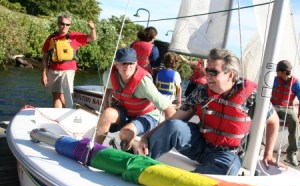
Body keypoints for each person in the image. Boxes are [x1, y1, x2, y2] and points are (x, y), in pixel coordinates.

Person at [138, 48, 283, 175]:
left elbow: (273, 121)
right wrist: (147, 136)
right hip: (200, 145)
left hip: (227, 155)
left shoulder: (251, 95)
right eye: (207, 70)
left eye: (213, 72)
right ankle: (139, 163)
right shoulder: (202, 92)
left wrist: (268, 153)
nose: (208, 76)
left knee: (229, 169)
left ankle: (187, 181)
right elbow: (174, 121)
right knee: (174, 126)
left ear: (230, 74)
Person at [95, 47, 176, 152]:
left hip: (147, 116)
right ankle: (95, 150)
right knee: (107, 114)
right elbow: (107, 92)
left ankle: (129, 153)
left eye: (131, 63)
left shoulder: (144, 83)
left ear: (136, 63)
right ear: (116, 64)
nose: (128, 66)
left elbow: (168, 109)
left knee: (125, 132)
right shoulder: (109, 75)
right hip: (125, 112)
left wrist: (169, 134)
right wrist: (105, 110)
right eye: (124, 63)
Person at [41, 13, 97, 108]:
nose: (64, 26)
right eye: (62, 23)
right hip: (53, 69)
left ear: (70, 25)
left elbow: (92, 38)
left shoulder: (74, 36)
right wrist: (44, 73)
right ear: (58, 24)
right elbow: (45, 57)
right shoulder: (51, 38)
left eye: (67, 24)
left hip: (68, 69)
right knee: (56, 97)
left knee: (63, 97)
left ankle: (69, 115)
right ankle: (56, 119)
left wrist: (92, 29)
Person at [271, 60, 300, 166]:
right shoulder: (274, 80)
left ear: (283, 72)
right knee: (260, 116)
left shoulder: (296, 83)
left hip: (285, 108)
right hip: (272, 106)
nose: (275, 72)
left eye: (277, 70)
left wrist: (298, 115)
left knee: (294, 120)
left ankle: (291, 153)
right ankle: (257, 146)